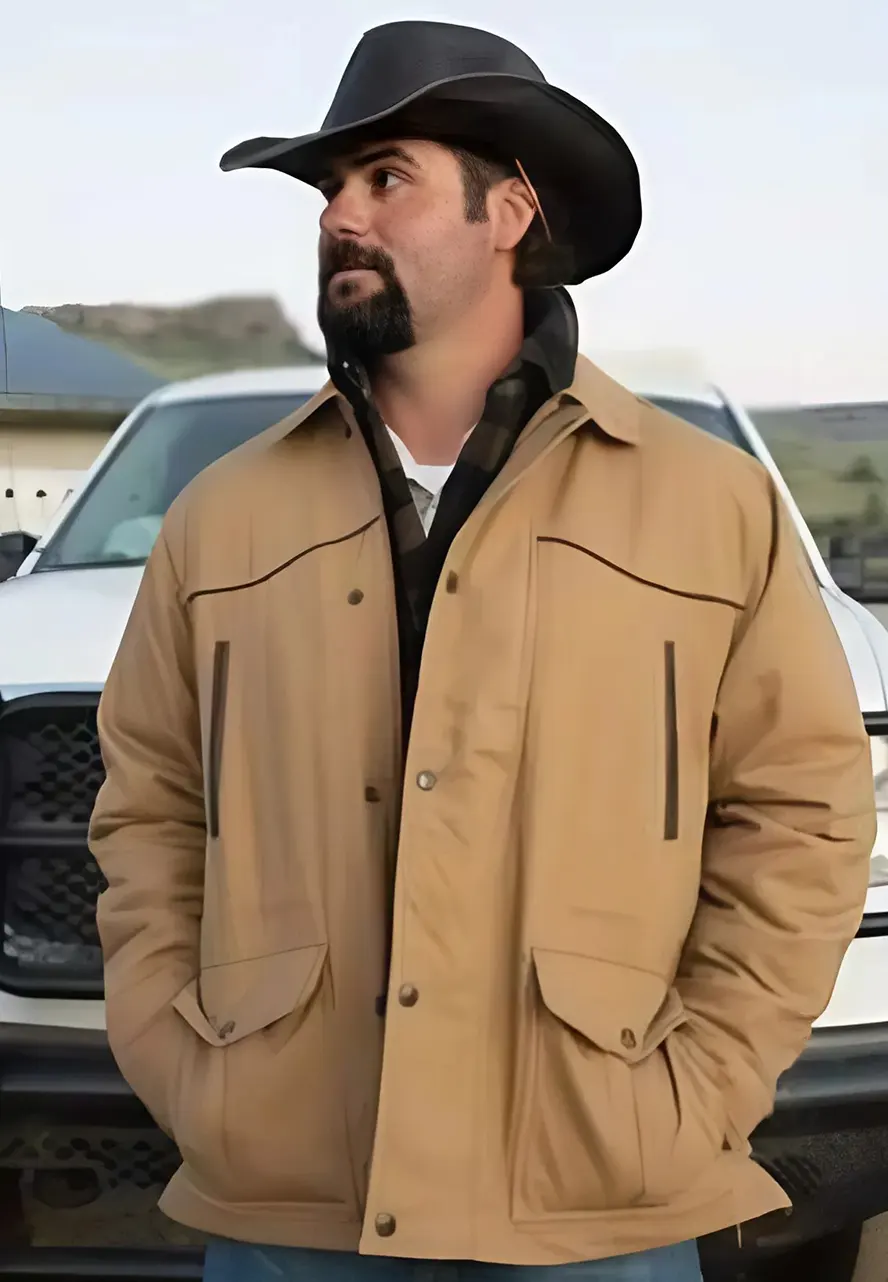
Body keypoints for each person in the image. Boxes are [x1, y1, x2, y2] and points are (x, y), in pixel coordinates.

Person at [88, 20, 876, 1282]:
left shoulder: (711, 505)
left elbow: (802, 809)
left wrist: (699, 1081)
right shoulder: (220, 518)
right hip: (288, 1203)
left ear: (508, 212)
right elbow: (149, 805)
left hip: (598, 1198)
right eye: (329, 188)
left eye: (385, 177)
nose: (340, 215)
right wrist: (184, 1062)